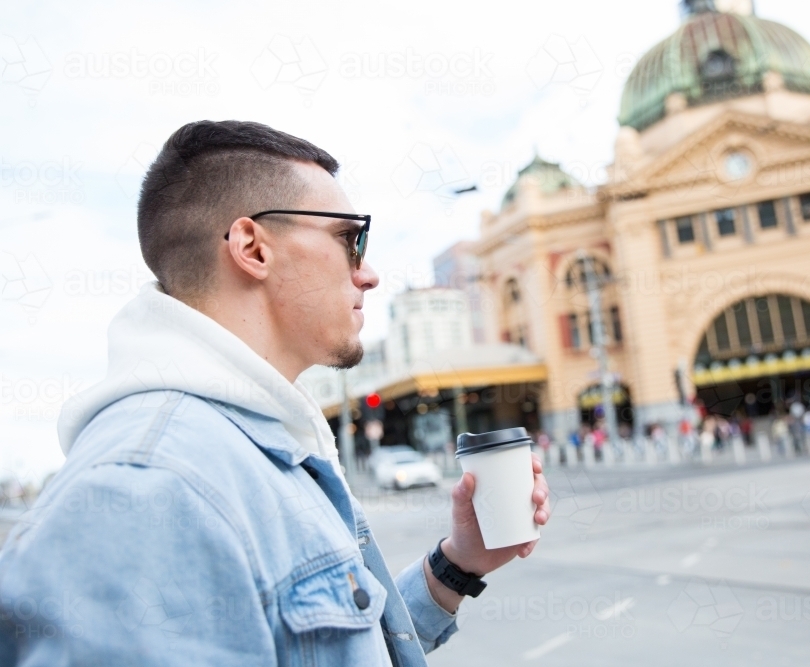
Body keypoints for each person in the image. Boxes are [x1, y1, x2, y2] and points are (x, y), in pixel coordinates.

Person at [0, 121, 551, 666]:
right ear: (252, 248)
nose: (370, 274)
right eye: (350, 239)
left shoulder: (251, 444)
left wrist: (458, 564)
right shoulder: (150, 488)